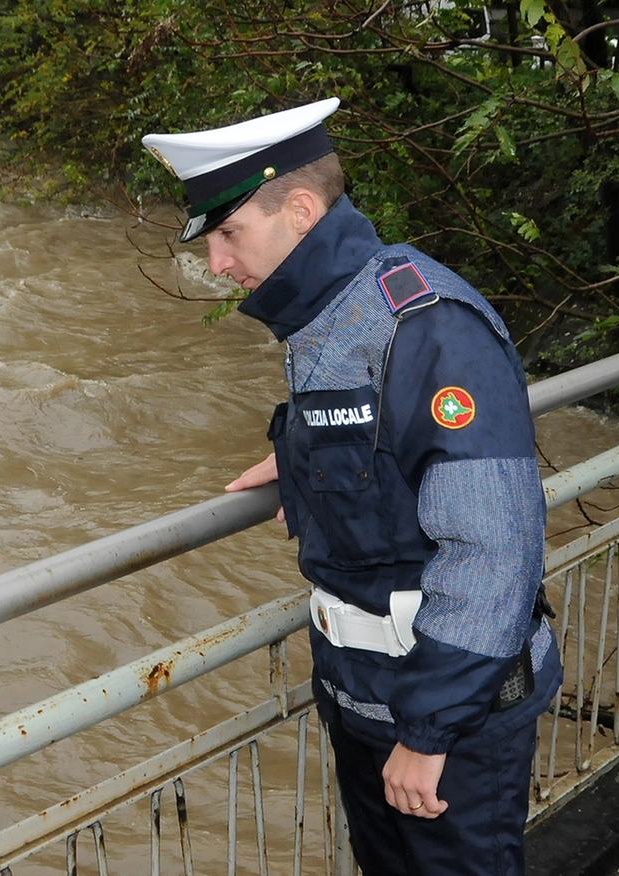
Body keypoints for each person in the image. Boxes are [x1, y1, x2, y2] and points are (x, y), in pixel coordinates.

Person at [142, 98, 562, 876]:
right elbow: (382, 445)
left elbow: (495, 548)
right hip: (366, 696)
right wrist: (300, 455)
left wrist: (427, 734)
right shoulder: (330, 313)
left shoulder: (427, 323)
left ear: (299, 209)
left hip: (445, 718)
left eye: (229, 234)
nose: (218, 264)